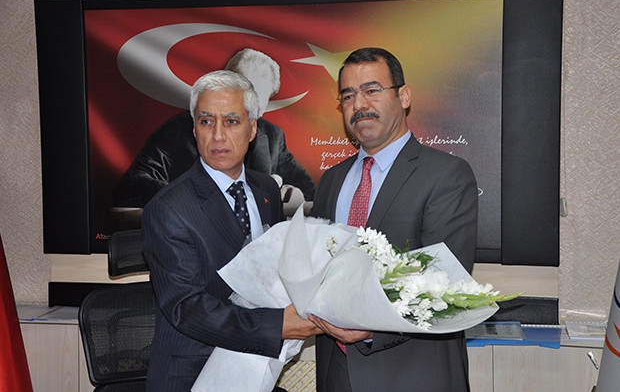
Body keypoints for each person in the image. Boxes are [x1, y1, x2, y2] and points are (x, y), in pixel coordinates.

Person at [308, 48, 479, 392]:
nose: (359, 104)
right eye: (348, 95)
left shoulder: (446, 175)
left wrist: (370, 328)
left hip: (413, 375)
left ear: (404, 96)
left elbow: (443, 283)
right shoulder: (330, 181)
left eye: (371, 90)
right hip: (337, 373)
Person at [141, 70, 321, 392]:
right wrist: (276, 325)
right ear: (194, 129)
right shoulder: (168, 209)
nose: (218, 135)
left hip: (257, 368)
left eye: (232, 121)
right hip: (192, 375)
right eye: (206, 121)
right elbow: (187, 308)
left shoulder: (266, 189)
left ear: (252, 128)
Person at [113, 48, 315, 209]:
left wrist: (296, 197)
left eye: (254, 109)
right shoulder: (177, 130)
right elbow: (131, 185)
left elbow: (311, 192)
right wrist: (193, 198)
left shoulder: (272, 136)